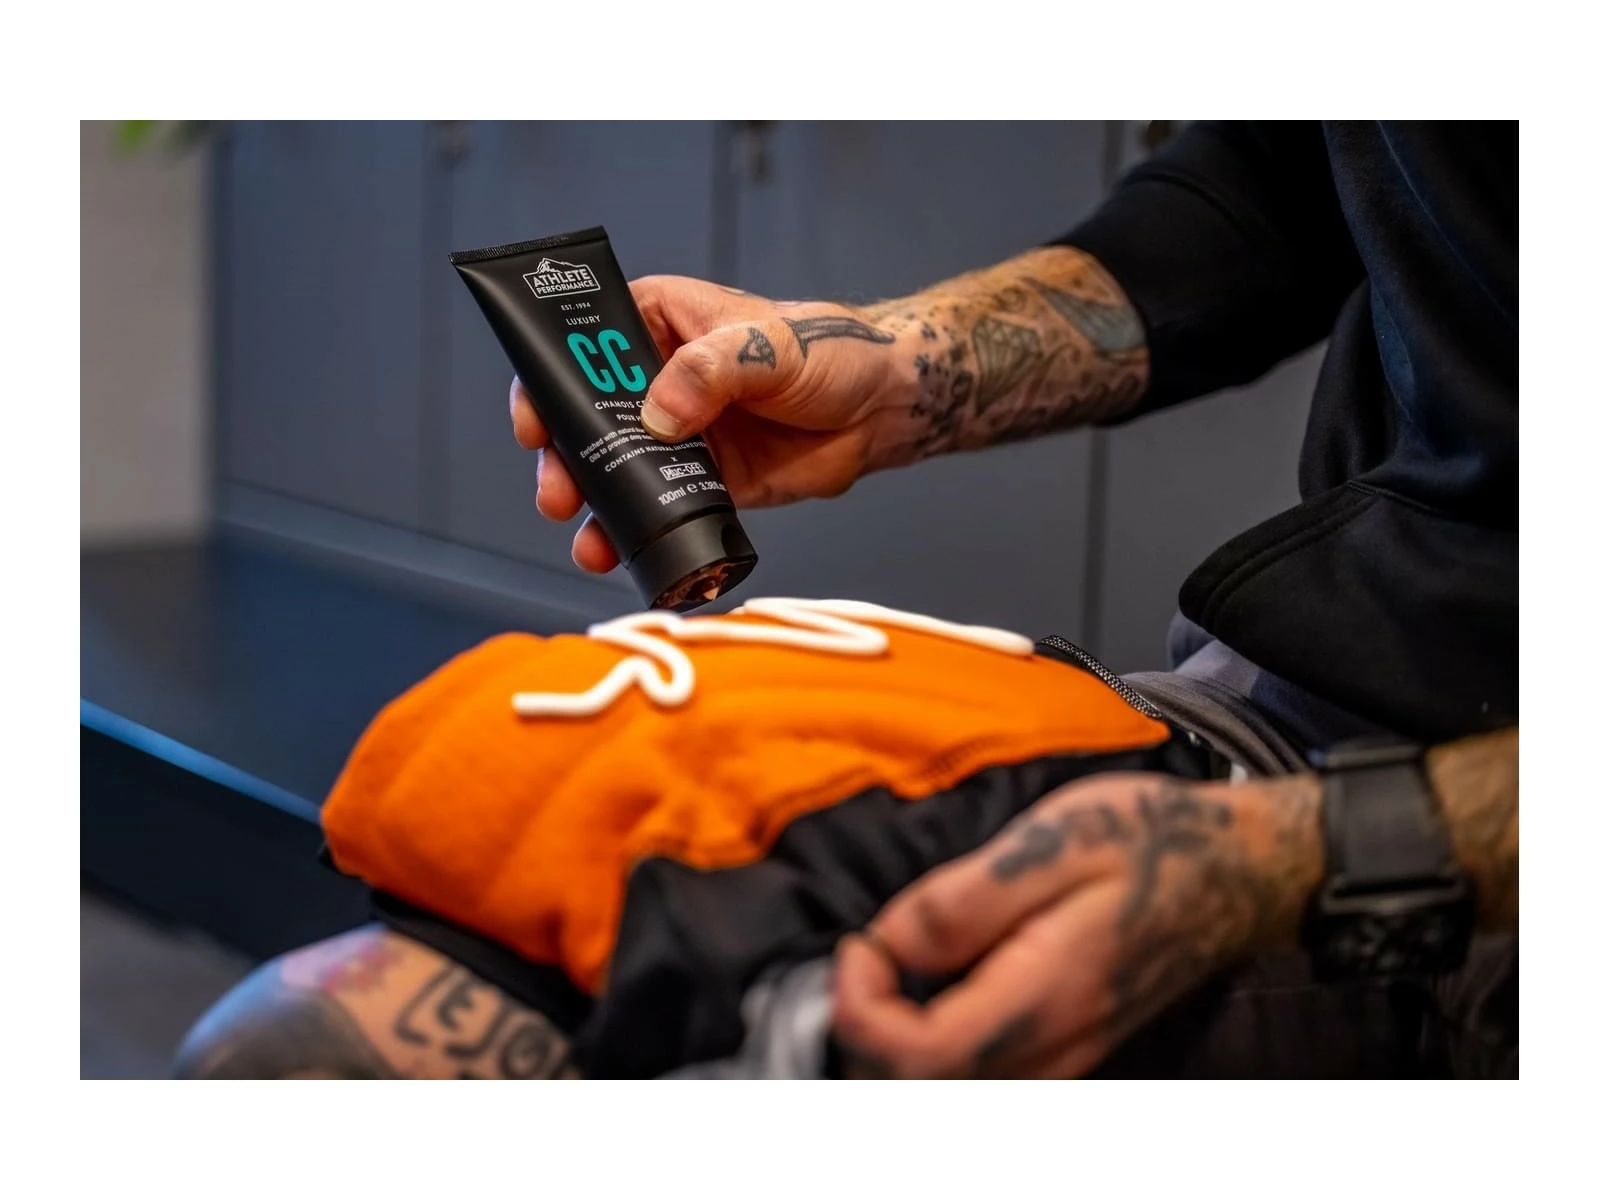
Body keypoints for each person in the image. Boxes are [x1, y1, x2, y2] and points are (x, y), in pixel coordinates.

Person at [176, 121, 1517, 1080]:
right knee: (315, 1053)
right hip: (1316, 699)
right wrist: (897, 370)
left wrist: (1299, 858)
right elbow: (1272, 193)